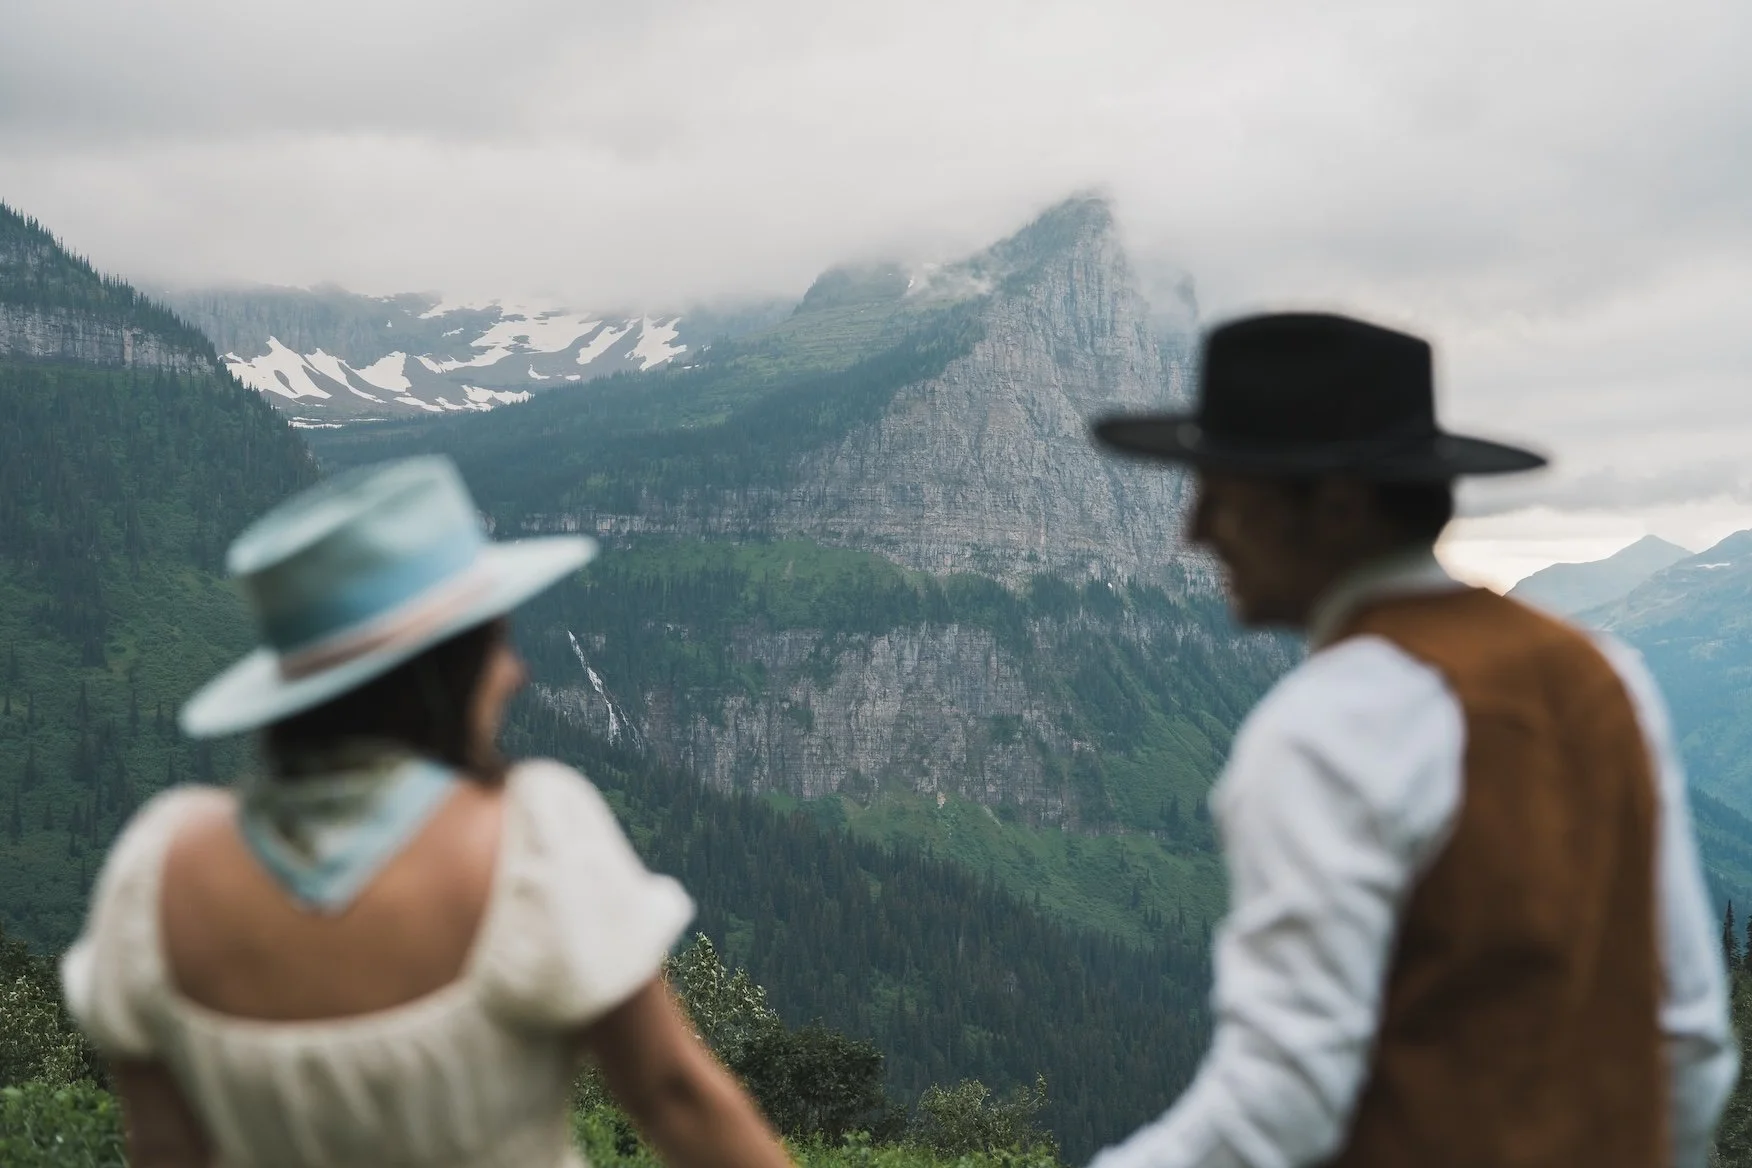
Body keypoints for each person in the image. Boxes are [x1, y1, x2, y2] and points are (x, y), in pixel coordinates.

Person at [1085, 313, 1738, 1168]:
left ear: (1336, 505)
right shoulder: (1602, 675)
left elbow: (1282, 1100)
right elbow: (1688, 1040)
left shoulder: (1331, 723)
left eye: (1223, 490)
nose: (1194, 530)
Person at [60, 456, 794, 1168]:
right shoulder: (531, 835)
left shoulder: (156, 868)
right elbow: (674, 1097)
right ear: (443, 670)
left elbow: (163, 1151)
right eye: (495, 645)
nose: (516, 673)